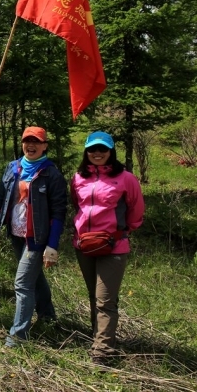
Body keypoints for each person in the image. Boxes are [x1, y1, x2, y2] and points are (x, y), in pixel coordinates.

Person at [70, 131, 144, 363]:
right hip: (85, 246)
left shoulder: (125, 178)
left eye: (103, 149)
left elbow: (136, 209)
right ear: (86, 152)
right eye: (93, 149)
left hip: (114, 246)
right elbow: (76, 204)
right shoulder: (78, 178)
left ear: (111, 151)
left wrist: (123, 231)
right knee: (95, 296)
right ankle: (100, 337)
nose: (97, 153)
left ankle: (102, 352)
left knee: (105, 300)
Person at [0, 126, 67, 345]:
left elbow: (58, 212)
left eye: (36, 141)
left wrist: (52, 245)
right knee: (35, 277)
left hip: (38, 238)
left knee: (22, 283)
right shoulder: (12, 168)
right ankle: (48, 316)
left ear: (45, 146)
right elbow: (0, 199)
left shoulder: (51, 173)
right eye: (27, 141)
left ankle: (17, 338)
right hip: (16, 233)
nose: (31, 145)